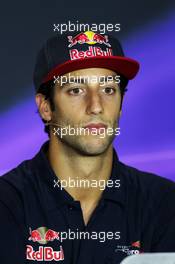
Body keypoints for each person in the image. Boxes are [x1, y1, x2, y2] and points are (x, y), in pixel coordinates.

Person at [0, 31, 175, 264]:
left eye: (108, 90)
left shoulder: (164, 203)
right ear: (46, 107)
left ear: (121, 104)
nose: (96, 106)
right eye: (76, 90)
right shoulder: (7, 203)